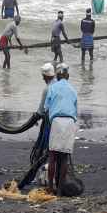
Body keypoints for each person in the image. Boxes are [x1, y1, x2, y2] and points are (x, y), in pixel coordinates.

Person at [44, 63, 78, 193]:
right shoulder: (73, 90)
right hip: (69, 122)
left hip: (57, 121)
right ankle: (60, 188)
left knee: (52, 156)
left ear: (57, 76)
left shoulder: (52, 88)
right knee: (64, 157)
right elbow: (75, 110)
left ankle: (50, 187)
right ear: (68, 76)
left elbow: (46, 108)